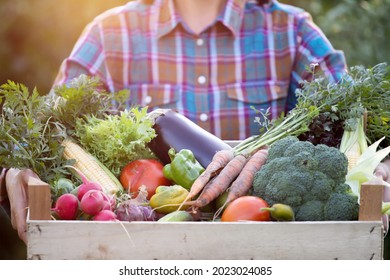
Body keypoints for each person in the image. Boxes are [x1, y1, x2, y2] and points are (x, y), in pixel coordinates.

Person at [1, 0, 390, 257]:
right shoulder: (109, 34)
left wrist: (382, 167)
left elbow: (357, 118)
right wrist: (13, 171)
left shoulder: (291, 31)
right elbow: (46, 133)